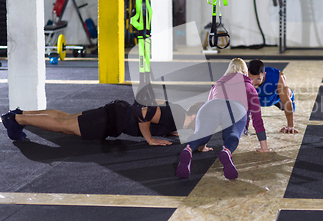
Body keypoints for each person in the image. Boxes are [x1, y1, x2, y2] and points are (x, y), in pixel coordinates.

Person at [176, 58, 269, 180]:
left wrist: (203, 145)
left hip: (211, 105)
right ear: (245, 72)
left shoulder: (217, 85)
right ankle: (226, 151)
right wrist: (264, 147)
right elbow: (257, 118)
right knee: (233, 134)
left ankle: (188, 149)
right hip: (235, 109)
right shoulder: (249, 86)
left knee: (201, 133)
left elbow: (207, 115)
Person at [1, 100, 205, 147]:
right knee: (65, 125)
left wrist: (167, 132)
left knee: (66, 119)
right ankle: (16, 120)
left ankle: (19, 114)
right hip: (111, 119)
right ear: (195, 116)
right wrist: (150, 139)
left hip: (115, 114)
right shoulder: (176, 114)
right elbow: (144, 113)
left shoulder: (177, 116)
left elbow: (155, 111)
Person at [247, 59, 298, 134]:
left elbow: (286, 102)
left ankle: (289, 93)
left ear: (264, 75)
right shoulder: (243, 77)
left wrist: (290, 125)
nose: (254, 83)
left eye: (258, 79)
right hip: (255, 99)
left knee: (286, 93)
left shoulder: (277, 77)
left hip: (274, 98)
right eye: (251, 79)